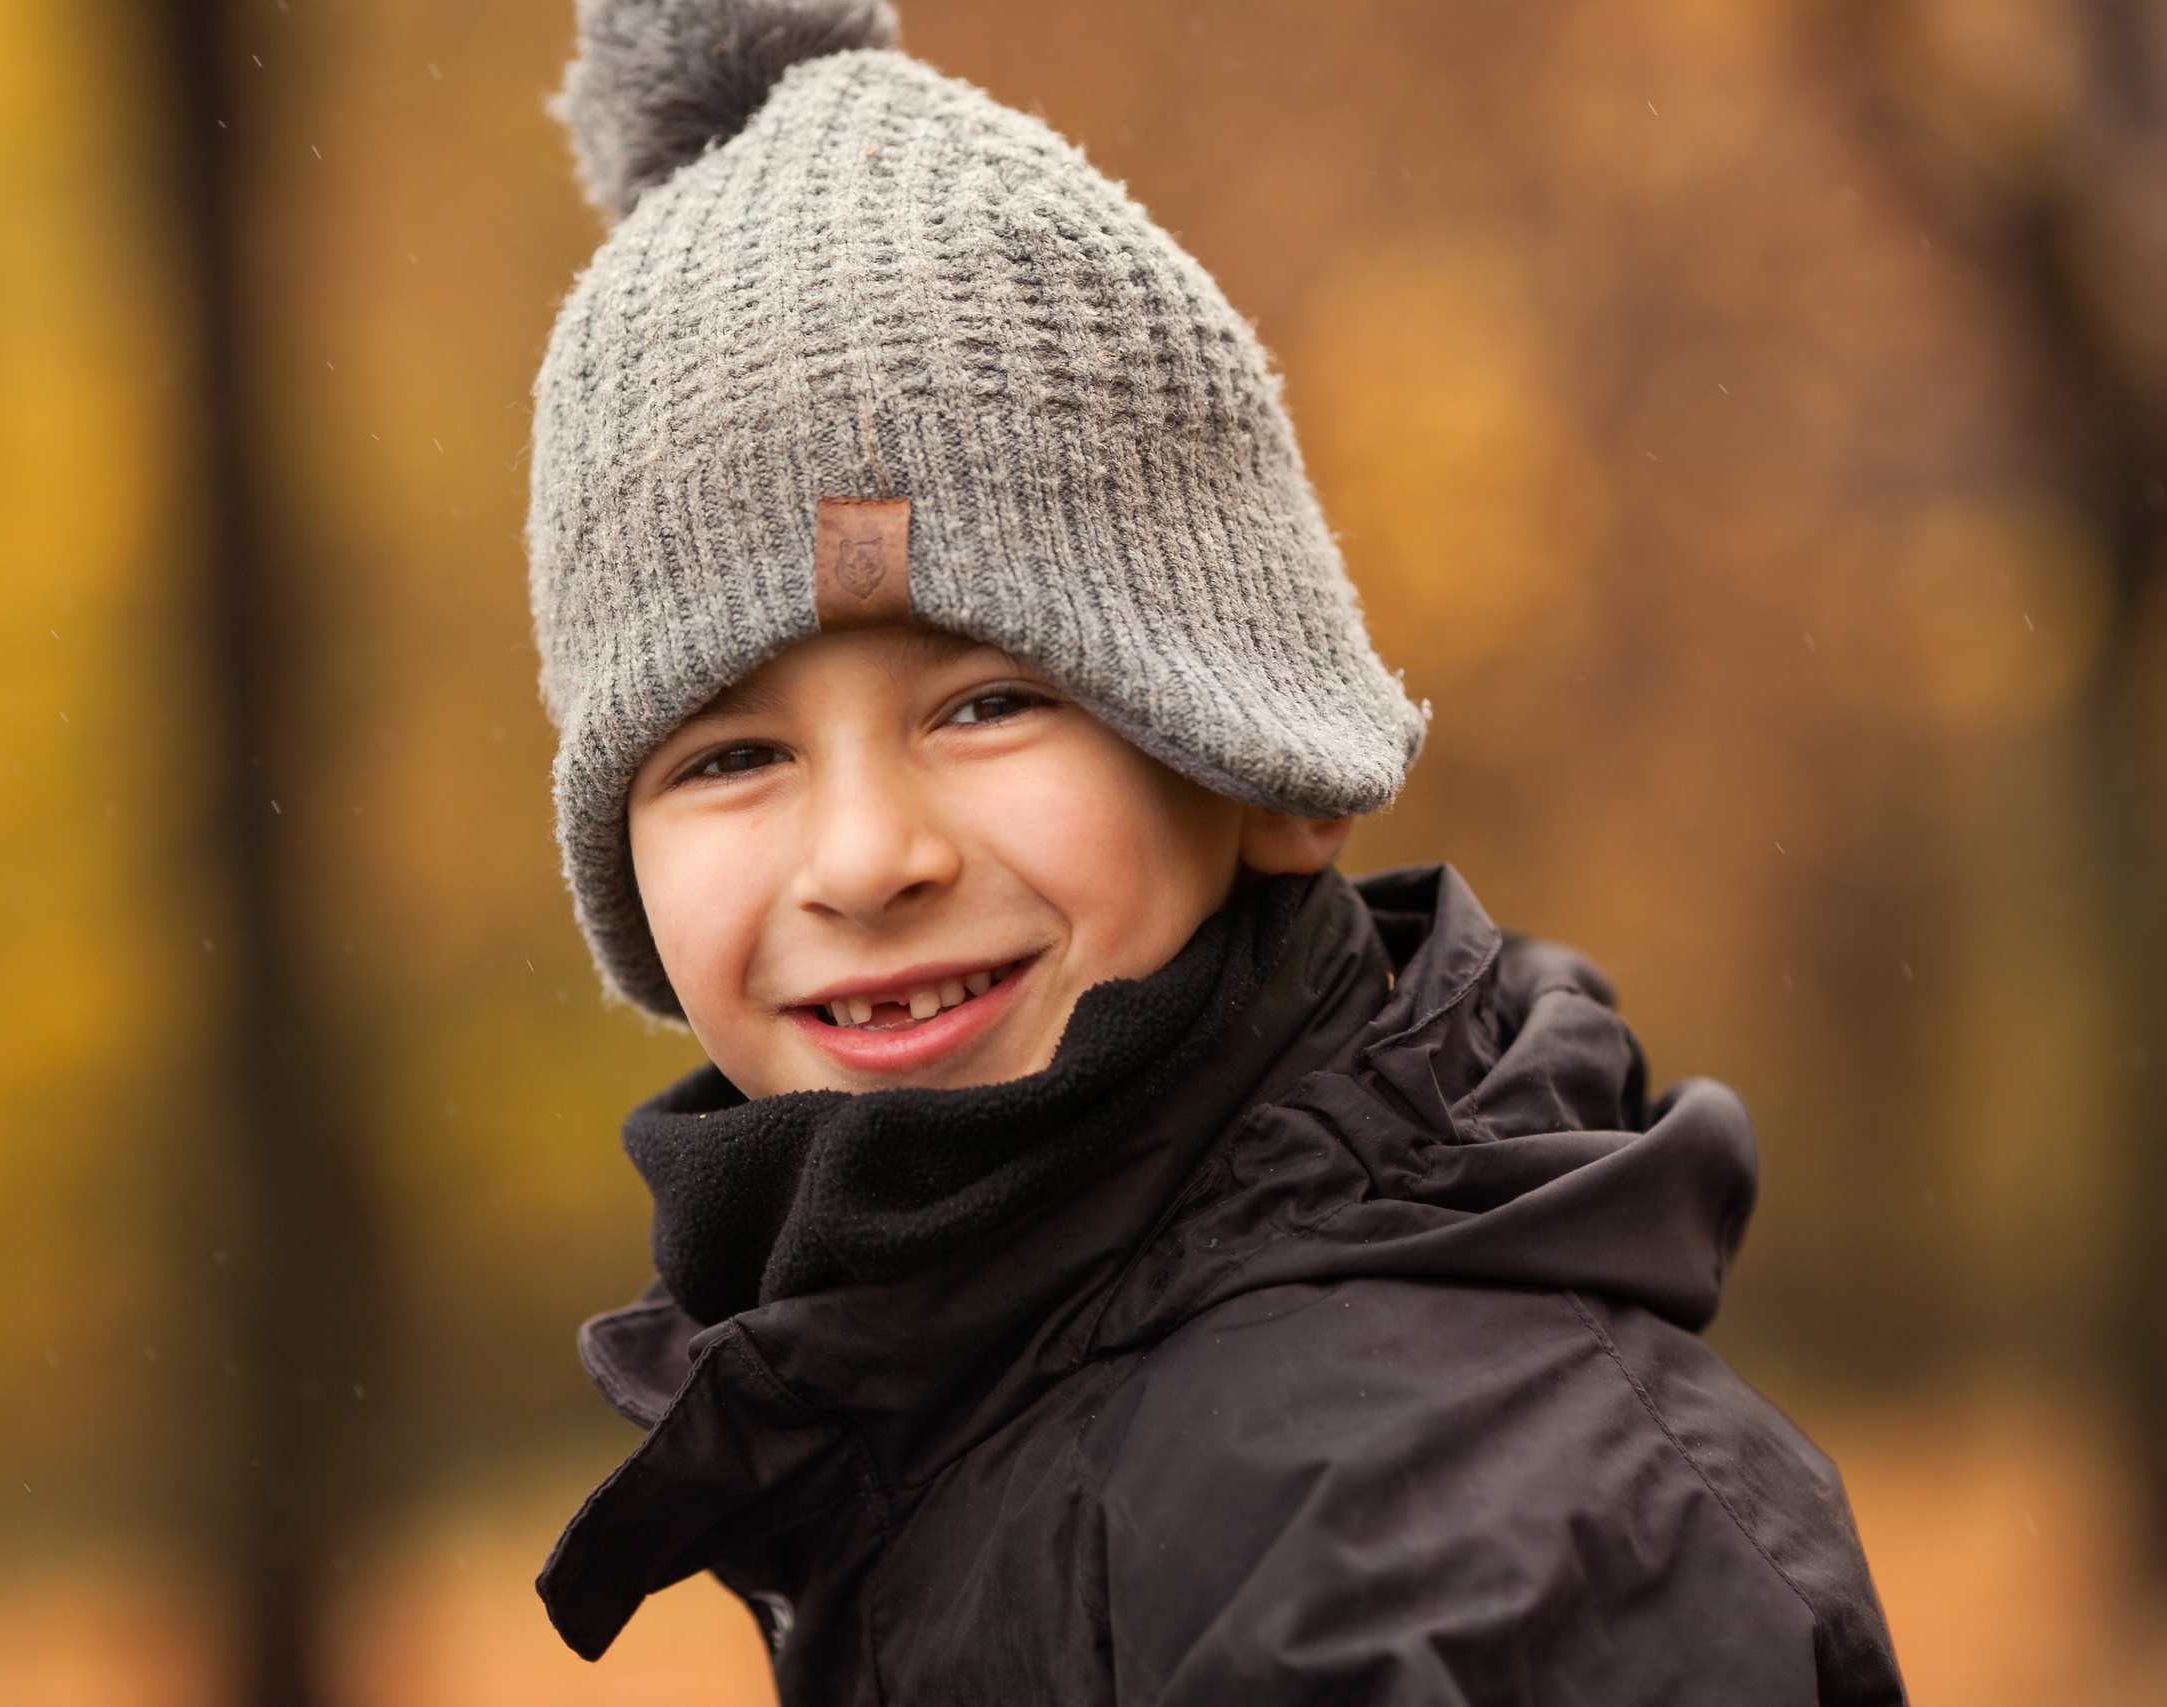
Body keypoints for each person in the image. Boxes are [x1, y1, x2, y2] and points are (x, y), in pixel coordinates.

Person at [522, 2, 1906, 1700]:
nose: (865, 857)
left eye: (989, 703)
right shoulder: (950, 1397)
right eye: (732, 754)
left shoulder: (1451, 1542)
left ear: (1260, 760)